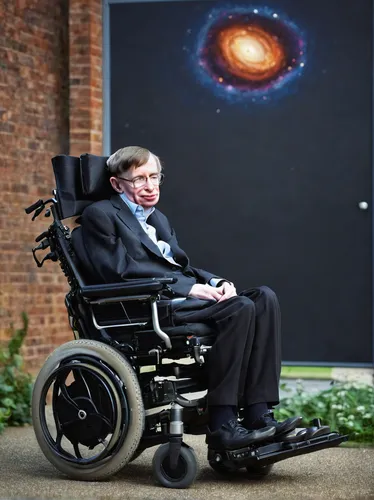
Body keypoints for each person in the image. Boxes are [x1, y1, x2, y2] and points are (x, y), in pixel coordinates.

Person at [74, 146, 301, 451]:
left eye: (155, 177)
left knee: (264, 298)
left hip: (176, 298)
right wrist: (188, 289)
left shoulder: (158, 220)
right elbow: (117, 271)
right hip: (145, 307)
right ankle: (222, 424)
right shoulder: (100, 215)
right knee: (240, 308)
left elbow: (180, 266)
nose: (150, 185)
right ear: (117, 184)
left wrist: (213, 281)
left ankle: (259, 413)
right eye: (139, 179)